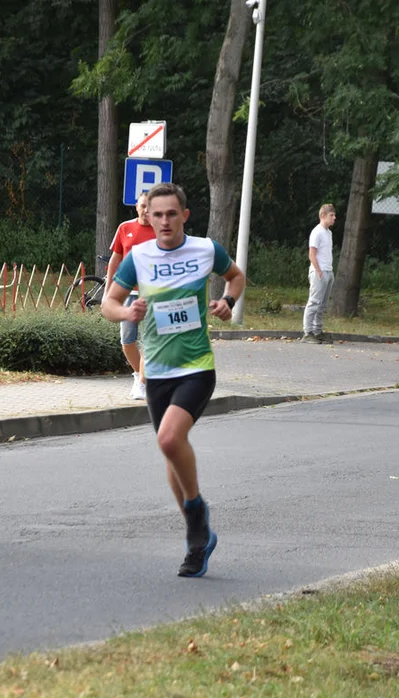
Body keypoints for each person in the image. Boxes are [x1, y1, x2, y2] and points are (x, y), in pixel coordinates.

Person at [101, 183, 245, 578]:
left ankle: (196, 517)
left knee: (168, 438)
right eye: (157, 214)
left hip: (196, 367)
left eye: (171, 213)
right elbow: (108, 304)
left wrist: (227, 304)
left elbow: (235, 276)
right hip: (158, 371)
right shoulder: (139, 257)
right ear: (148, 216)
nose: (163, 220)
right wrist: (126, 314)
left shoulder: (205, 249)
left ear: (185, 215)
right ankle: (198, 540)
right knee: (172, 448)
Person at [105, 192, 156, 399]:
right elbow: (115, 260)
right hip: (127, 292)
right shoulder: (125, 228)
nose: (145, 210)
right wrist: (109, 291)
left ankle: (142, 384)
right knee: (127, 340)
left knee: (148, 341)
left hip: (153, 294)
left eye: (149, 207)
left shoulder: (161, 230)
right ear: (136, 206)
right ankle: (139, 375)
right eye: (142, 206)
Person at [302, 203, 337, 343]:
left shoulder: (329, 233)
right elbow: (312, 254)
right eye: (331, 215)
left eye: (334, 215)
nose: (334, 218)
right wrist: (318, 271)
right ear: (323, 216)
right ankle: (308, 332)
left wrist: (328, 271)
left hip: (328, 271)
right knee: (314, 302)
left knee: (322, 304)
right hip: (320, 272)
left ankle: (317, 331)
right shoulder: (317, 232)